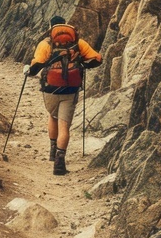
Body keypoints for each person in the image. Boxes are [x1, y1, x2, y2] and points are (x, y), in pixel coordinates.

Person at [23, 16, 102, 175]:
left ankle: (53, 151)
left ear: (51, 28)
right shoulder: (78, 43)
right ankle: (59, 163)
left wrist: (28, 70)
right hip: (70, 89)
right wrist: (83, 65)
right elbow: (97, 59)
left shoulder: (46, 44)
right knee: (64, 126)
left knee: (53, 116)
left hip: (50, 89)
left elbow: (36, 65)